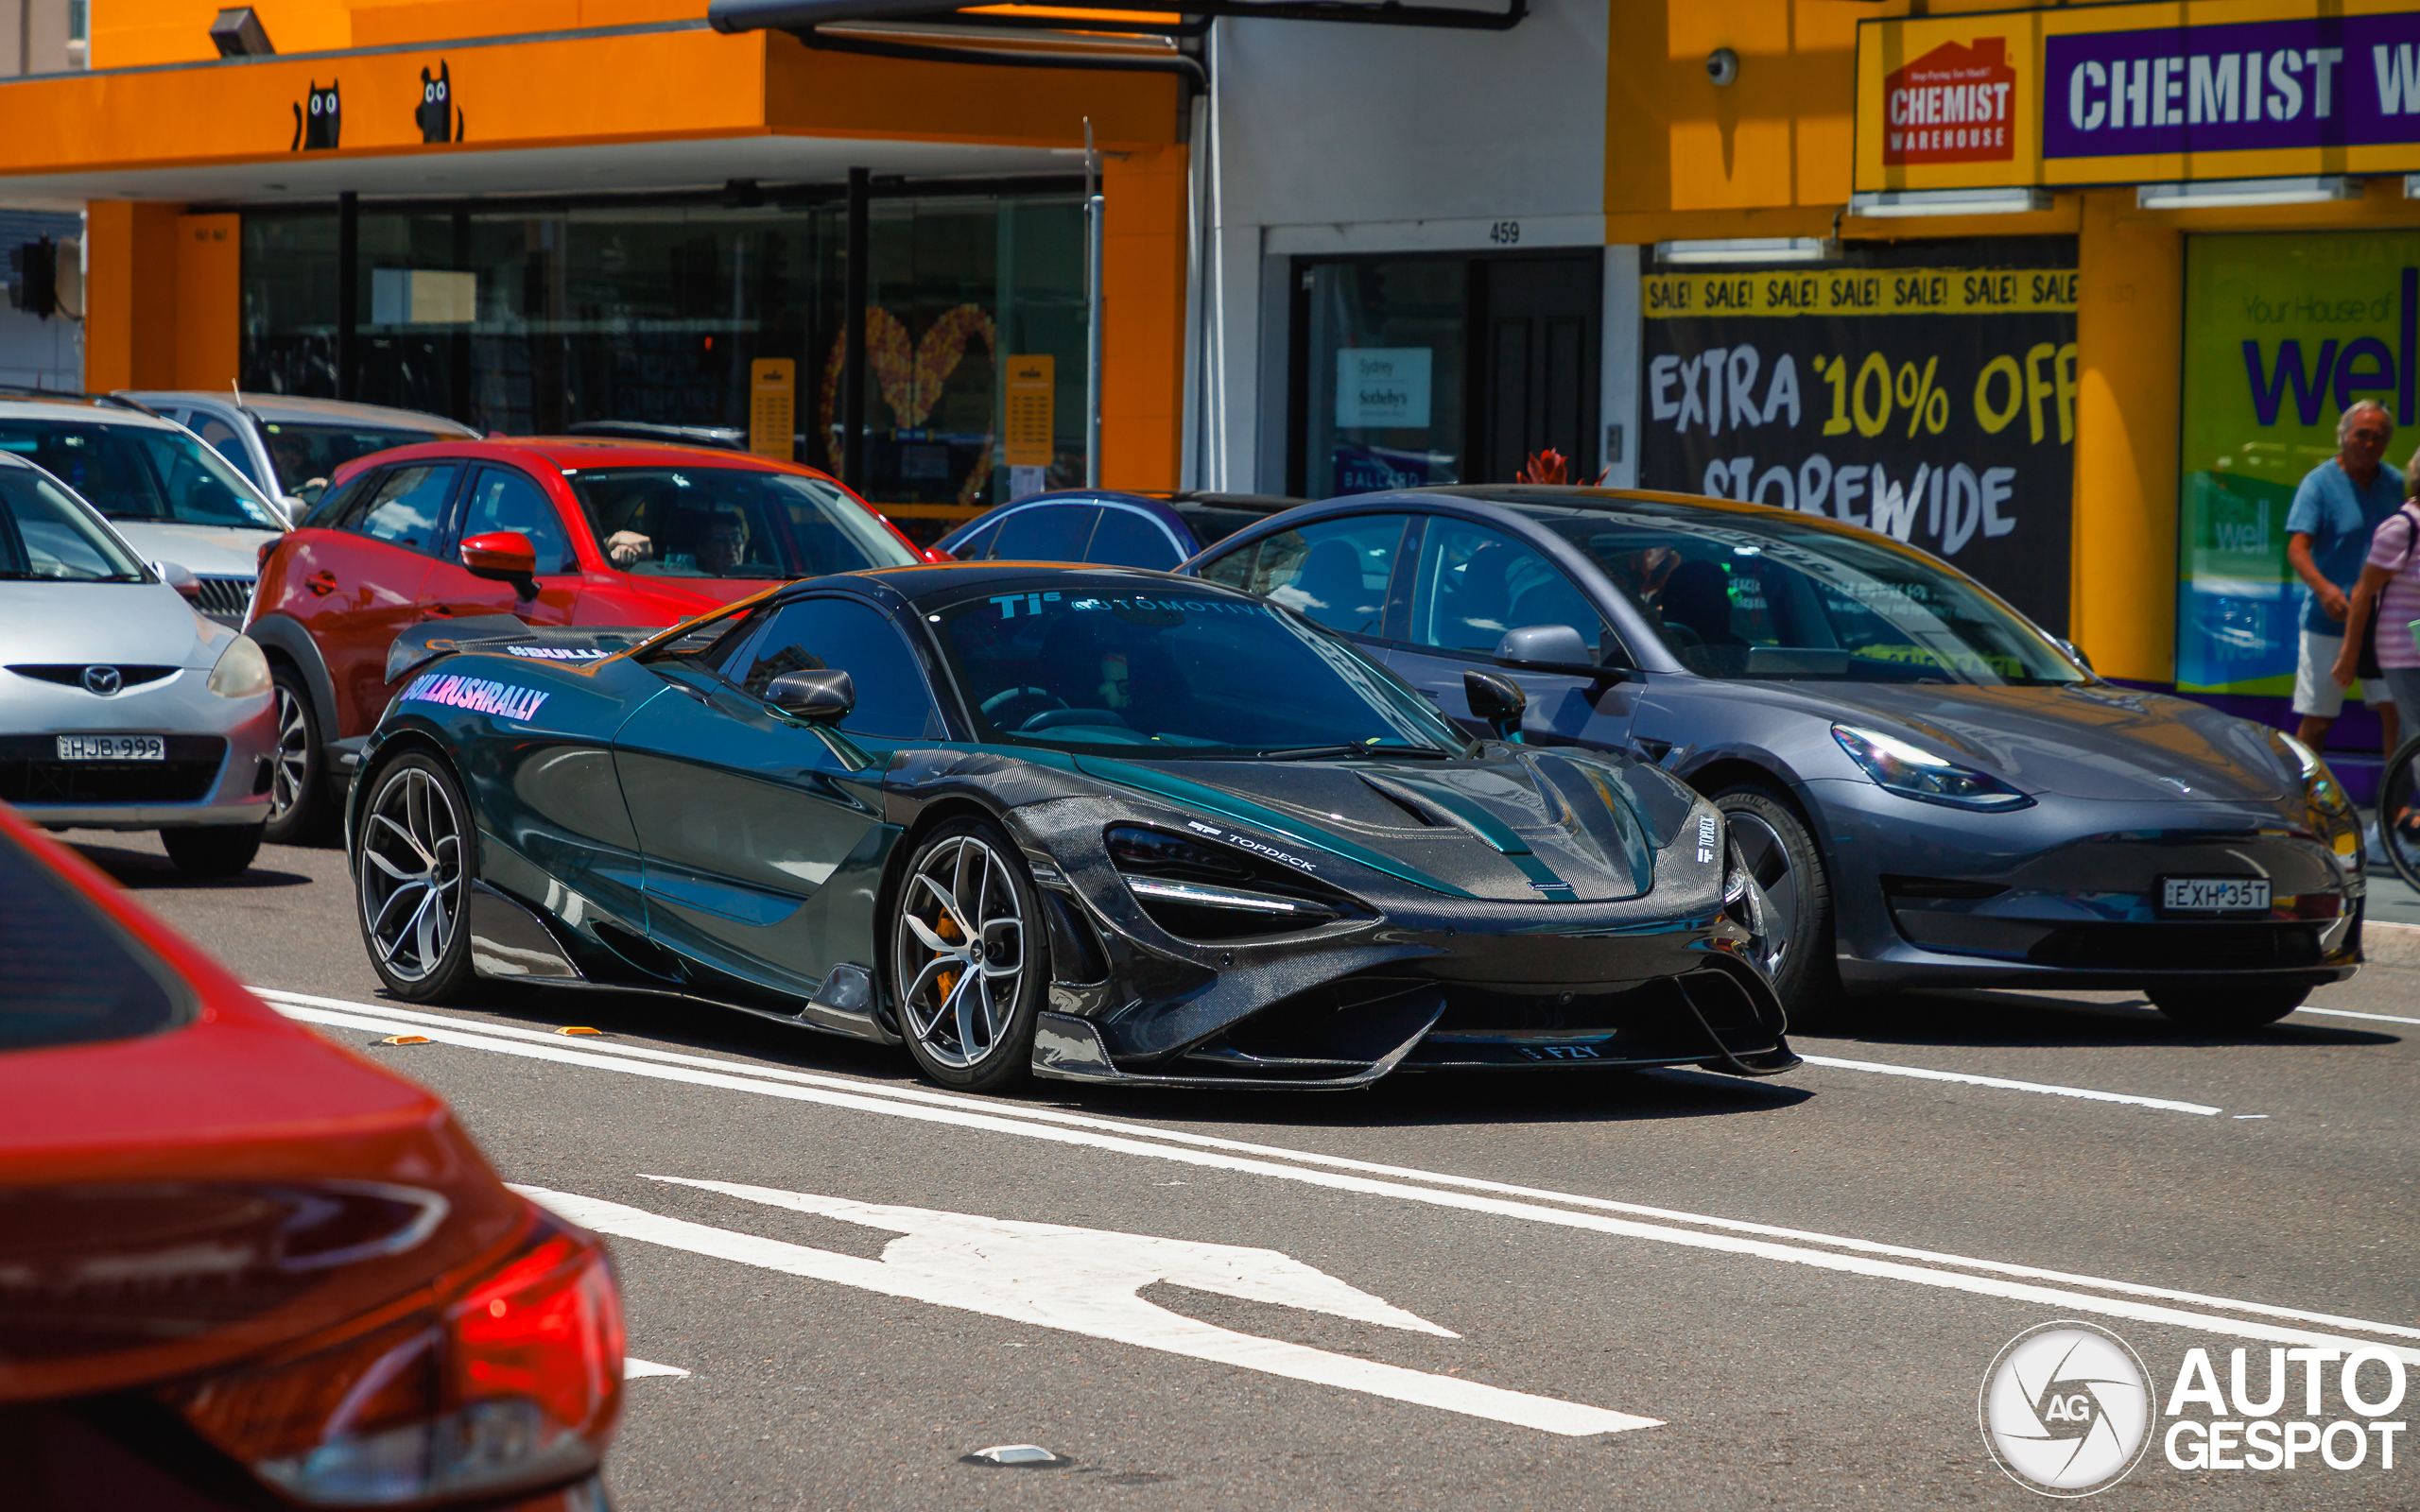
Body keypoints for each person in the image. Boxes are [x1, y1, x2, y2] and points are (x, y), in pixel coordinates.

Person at [2286, 399, 2403, 756]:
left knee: (2395, 713)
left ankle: (2395, 792)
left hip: (2383, 622)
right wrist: (2323, 589)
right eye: (2361, 434)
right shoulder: (2319, 484)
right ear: (2344, 436)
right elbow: (2297, 548)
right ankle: (2307, 788)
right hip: (2330, 618)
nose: (2369, 443)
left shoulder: (2394, 483)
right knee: (2318, 720)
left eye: (2378, 436)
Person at [2333, 457, 2420, 749]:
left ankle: (2397, 782)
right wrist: (2349, 655)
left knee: (2410, 739)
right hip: (2406, 652)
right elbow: (2363, 592)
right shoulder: (2400, 529)